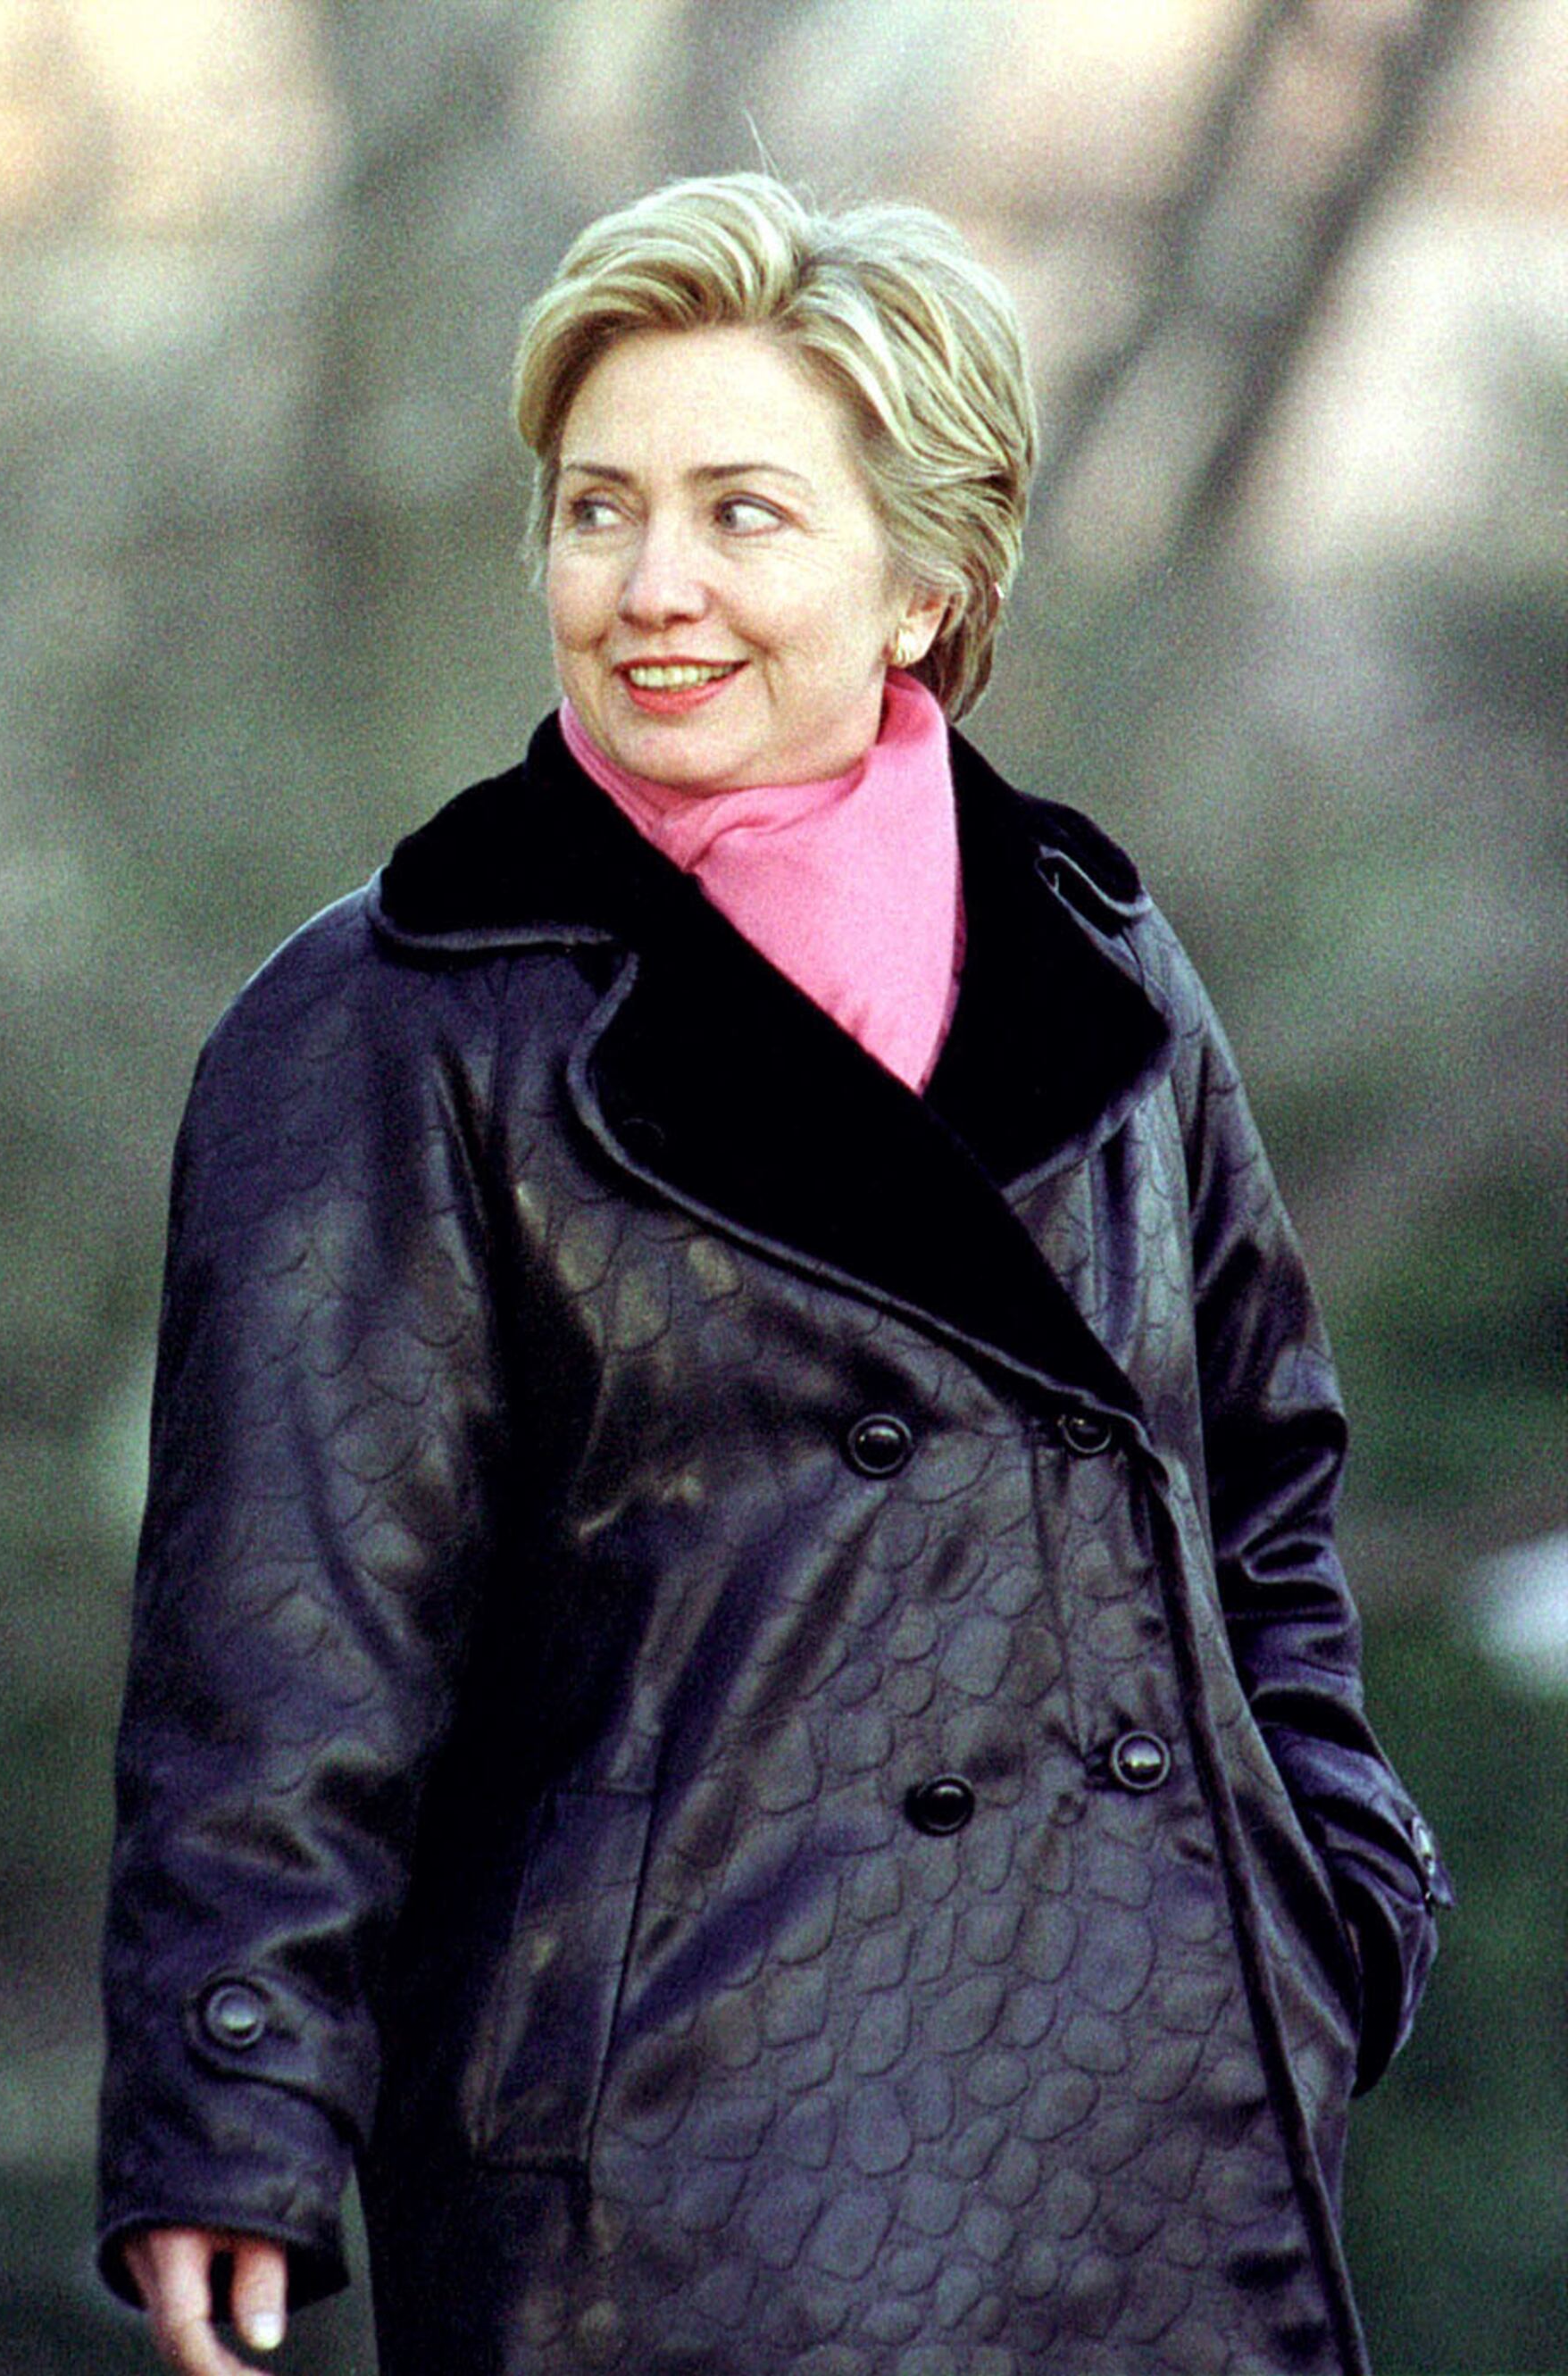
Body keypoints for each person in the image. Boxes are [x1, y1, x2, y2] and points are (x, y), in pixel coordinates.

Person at [95, 173, 1449, 2376]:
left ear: (924, 577)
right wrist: (226, 2100)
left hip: (1155, 2137)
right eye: (597, 509)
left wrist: (1331, 1891)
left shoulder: (1103, 968)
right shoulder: (392, 1018)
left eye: (743, 514)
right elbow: (286, 1622)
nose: (650, 589)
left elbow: (1270, 1477)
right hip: (670, 2169)